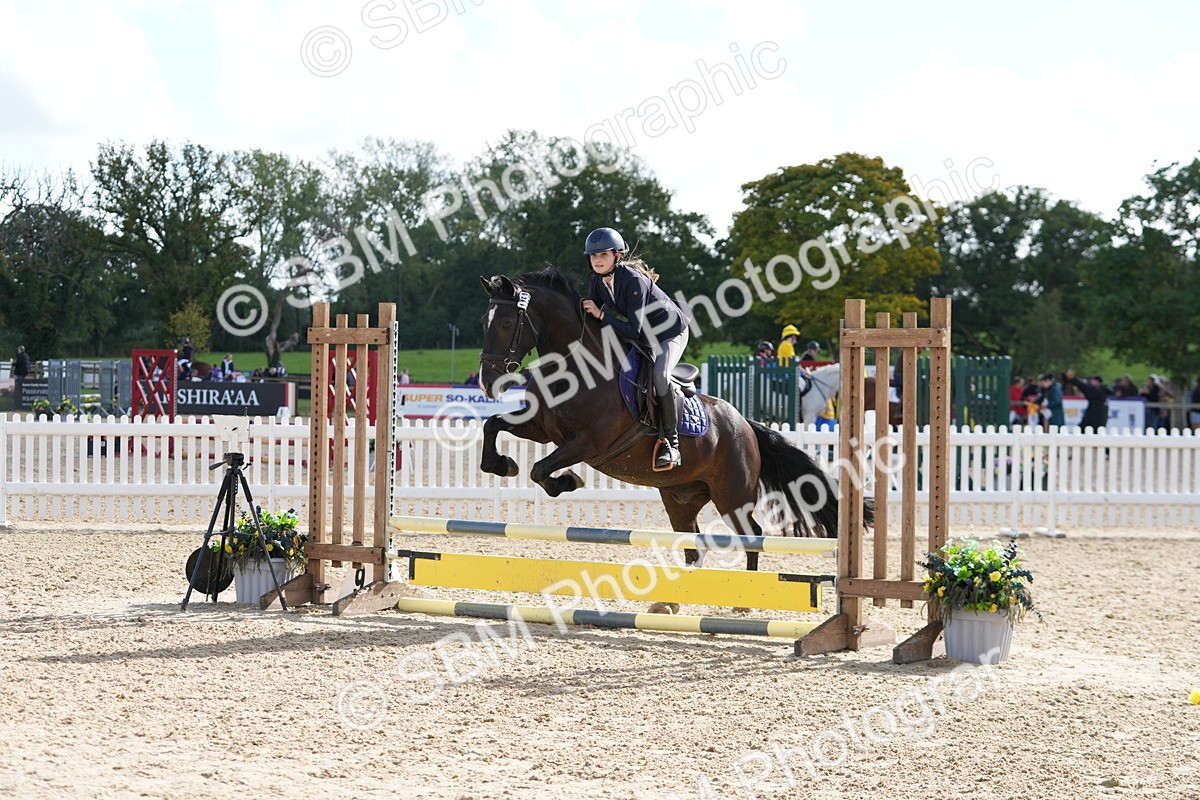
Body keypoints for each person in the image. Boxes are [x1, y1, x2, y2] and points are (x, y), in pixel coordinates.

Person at [580, 226, 690, 470]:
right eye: (593, 256)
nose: (597, 260)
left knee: (660, 377)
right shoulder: (597, 282)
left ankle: (672, 445)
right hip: (643, 336)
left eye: (603, 255)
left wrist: (600, 315)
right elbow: (591, 318)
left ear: (617, 256)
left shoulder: (633, 281)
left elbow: (633, 330)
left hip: (669, 332)